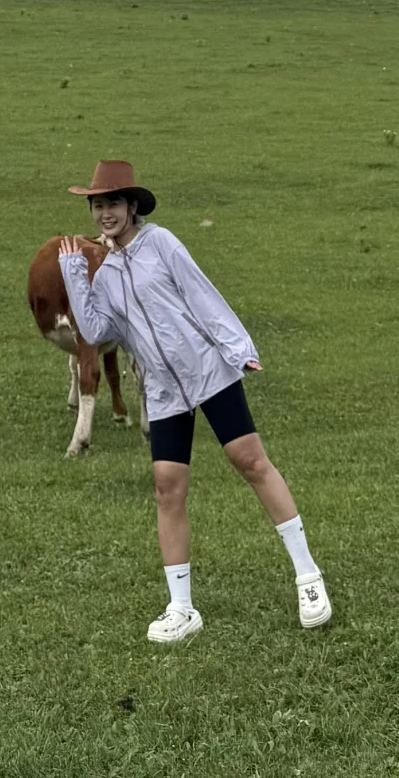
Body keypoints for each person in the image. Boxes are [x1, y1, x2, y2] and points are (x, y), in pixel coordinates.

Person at [58, 159, 331, 644]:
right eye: (98, 205)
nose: (104, 214)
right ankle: (182, 608)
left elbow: (200, 292)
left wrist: (238, 348)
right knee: (167, 486)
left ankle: (308, 577)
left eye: (113, 204)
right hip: (162, 389)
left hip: (207, 370)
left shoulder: (160, 243)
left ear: (132, 206)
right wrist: (74, 272)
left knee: (249, 460)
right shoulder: (104, 272)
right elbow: (99, 330)